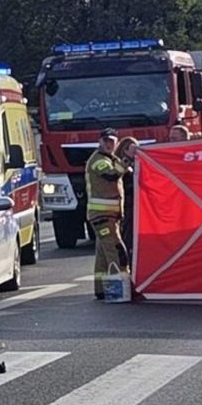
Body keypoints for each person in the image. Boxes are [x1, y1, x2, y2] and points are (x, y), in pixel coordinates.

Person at [85, 128, 128, 299]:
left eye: (112, 141)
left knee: (103, 254)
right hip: (102, 216)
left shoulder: (111, 159)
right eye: (106, 141)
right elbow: (111, 175)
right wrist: (127, 161)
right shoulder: (98, 160)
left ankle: (102, 290)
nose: (109, 144)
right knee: (116, 250)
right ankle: (122, 289)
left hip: (107, 216)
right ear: (100, 142)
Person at [114, 136, 140, 255]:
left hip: (134, 205)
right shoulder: (122, 165)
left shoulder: (134, 164)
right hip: (128, 205)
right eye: (134, 149)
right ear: (125, 150)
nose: (137, 151)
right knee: (128, 235)